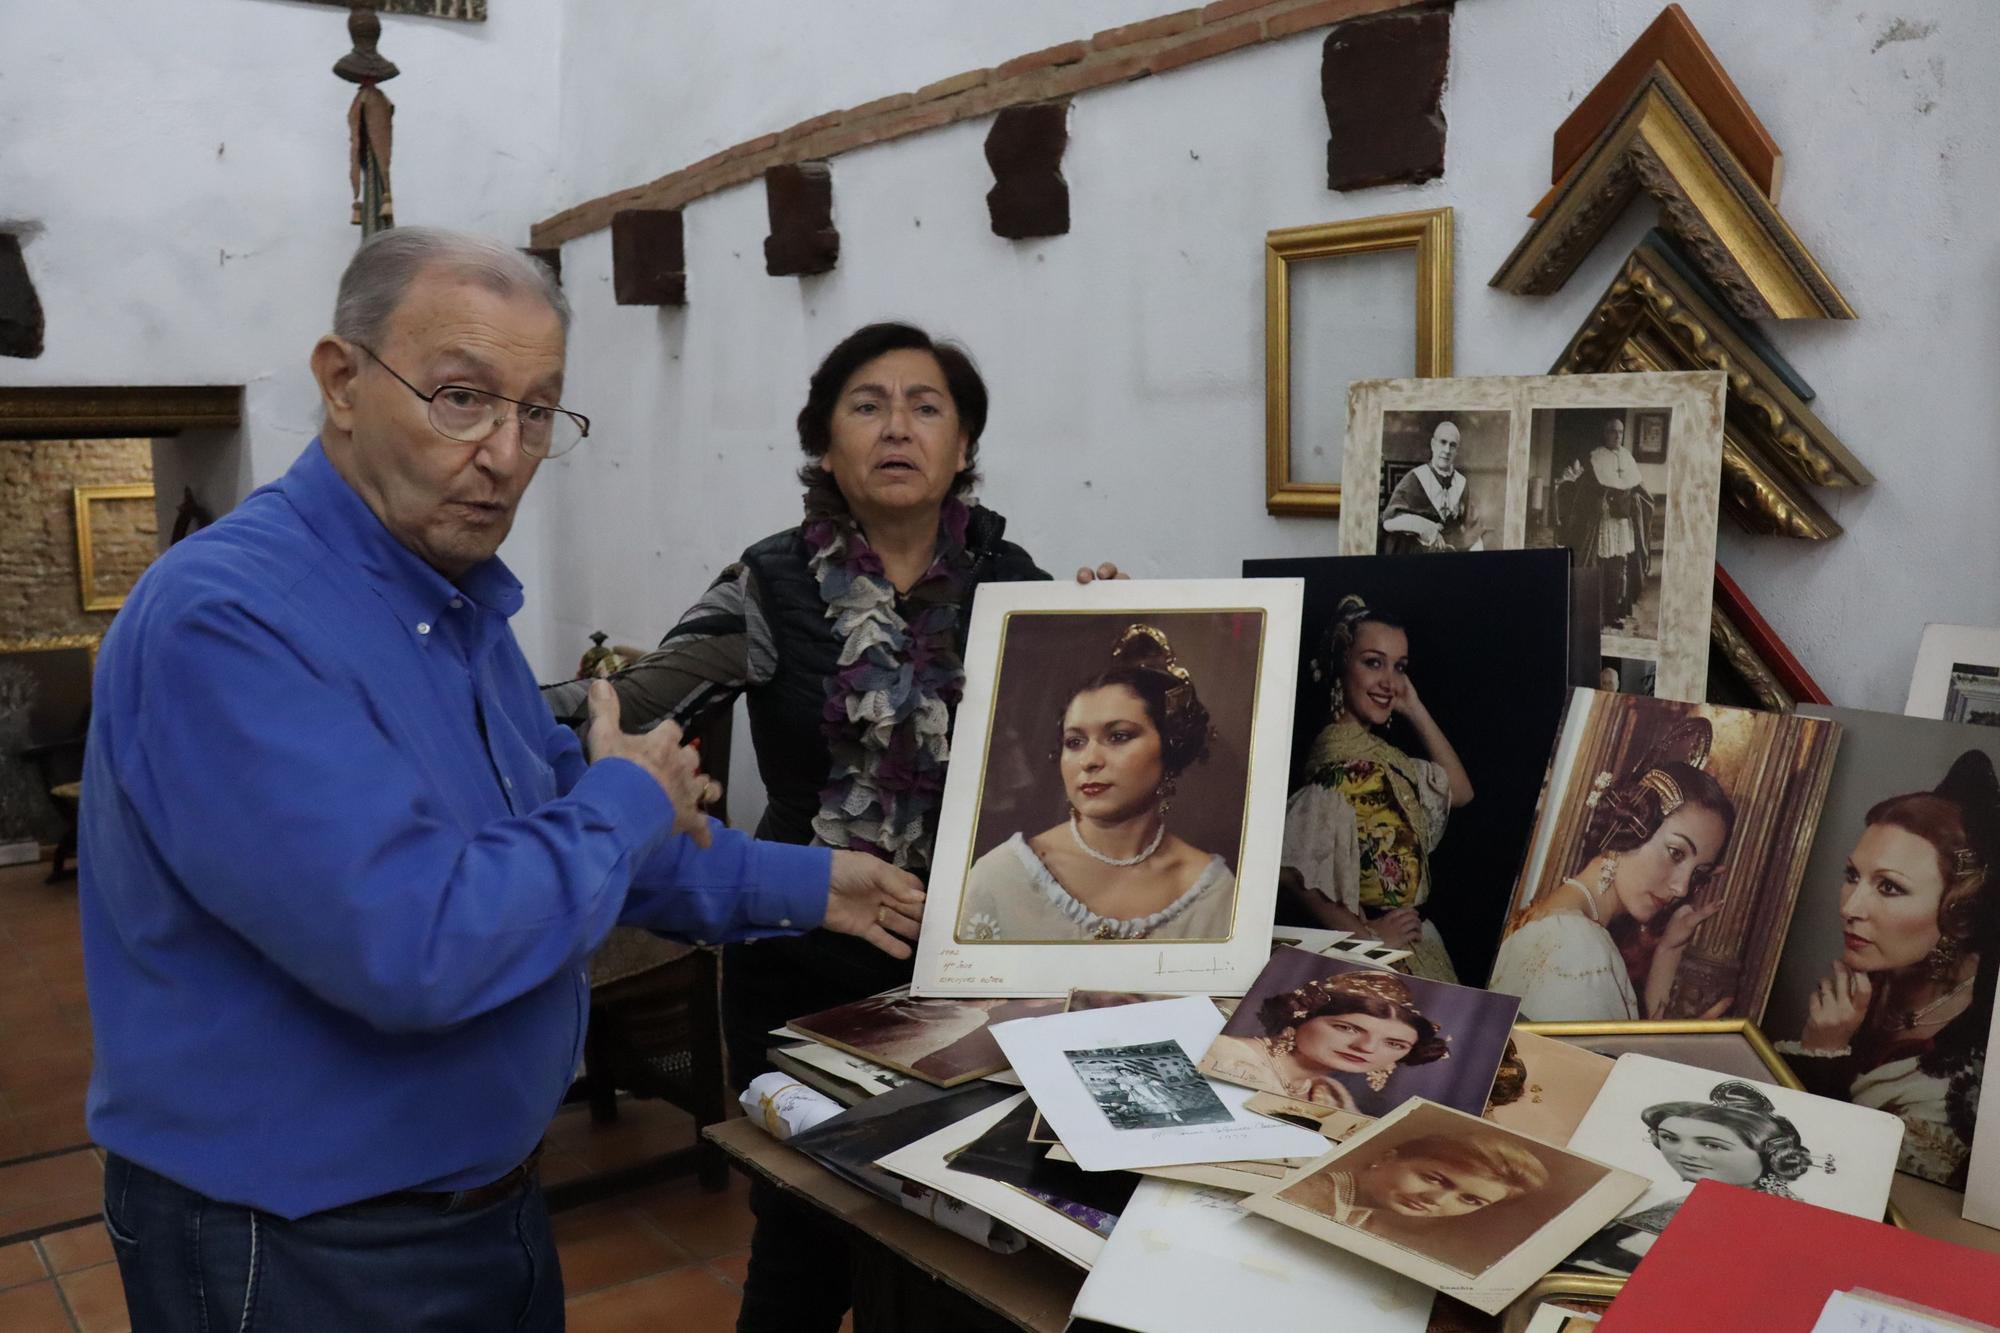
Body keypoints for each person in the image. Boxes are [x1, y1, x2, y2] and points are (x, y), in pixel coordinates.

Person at [77, 230, 927, 1331]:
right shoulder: (229, 617)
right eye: (461, 398)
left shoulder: (448, 590)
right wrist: (623, 798)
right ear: (341, 383)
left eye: (537, 412)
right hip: (299, 1239)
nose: (505, 452)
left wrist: (819, 887)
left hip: (486, 1205)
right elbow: (415, 941)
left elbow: (563, 862)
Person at [550, 321, 1115, 1332]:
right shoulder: (767, 585)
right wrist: (508, 715)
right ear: (823, 443)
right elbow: (630, 704)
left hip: (970, 960)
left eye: (924, 405)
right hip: (803, 955)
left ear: (960, 445)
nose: (896, 426)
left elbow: (1098, 747)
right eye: (866, 404)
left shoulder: (1016, 582)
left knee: (966, 1228)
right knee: (803, 1233)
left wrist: (1127, 634)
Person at [1777, 750, 2000, 1184]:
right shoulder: (1868, 993)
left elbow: (1830, 1175)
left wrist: (1823, 1051)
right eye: (1852, 876)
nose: (1851, 907)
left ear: (1962, 912)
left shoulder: (1971, 1068)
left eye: (1890, 887)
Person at [959, 624, 1235, 940]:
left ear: (1170, 747)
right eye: (1075, 742)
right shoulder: (1003, 875)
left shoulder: (1211, 889)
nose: (1089, 760)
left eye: (1118, 736)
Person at [1279, 595, 1474, 980]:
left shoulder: (1385, 761)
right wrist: (1366, 936)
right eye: (1373, 663)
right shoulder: (1339, 766)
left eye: (1398, 667)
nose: (1389, 682)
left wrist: (1413, 706)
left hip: (1412, 947)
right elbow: (1291, 870)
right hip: (1370, 956)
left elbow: (1461, 791)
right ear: (1341, 666)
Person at [1489, 721, 1734, 1020]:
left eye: (1698, 874)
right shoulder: (1579, 947)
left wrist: (1669, 950)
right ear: (1629, 825)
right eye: (1675, 853)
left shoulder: (1559, 919)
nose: (1682, 889)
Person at [1569, 1081, 1831, 1274]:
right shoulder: (1675, 1207)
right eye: (1670, 1138)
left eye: (1711, 1145)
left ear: (1773, 1155)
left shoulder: (1789, 1224)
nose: (1685, 1154)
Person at [1204, 969, 1450, 1112]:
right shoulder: (1229, 1056)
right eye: (1347, 1028)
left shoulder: (1331, 1094)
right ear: (1299, 1018)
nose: (1366, 1048)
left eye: (1394, 1044)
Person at [1280, 1129, 1550, 1240]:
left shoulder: (1363, 1220)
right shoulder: (1302, 1194)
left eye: (1470, 1200)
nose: (1436, 1199)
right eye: (1433, 1178)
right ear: (1386, 1158)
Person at [1556, 415, 1654, 631]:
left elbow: (1640, 490)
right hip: (1604, 523)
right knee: (1598, 568)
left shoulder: (1628, 457)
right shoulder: (1595, 458)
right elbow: (1583, 492)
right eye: (1612, 431)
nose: (1617, 436)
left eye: (1620, 432)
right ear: (1605, 433)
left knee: (1618, 570)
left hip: (1623, 525)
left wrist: (1635, 502)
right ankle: (1596, 615)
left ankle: (1614, 614)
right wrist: (1597, 502)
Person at [1381, 418, 1487, 553]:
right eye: (1443, 442)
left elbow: (1470, 527)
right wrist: (1426, 528)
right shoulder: (1414, 479)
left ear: (1457, 451)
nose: (1447, 450)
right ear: (1433, 444)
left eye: (1452, 445)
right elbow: (1389, 521)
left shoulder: (1461, 483)